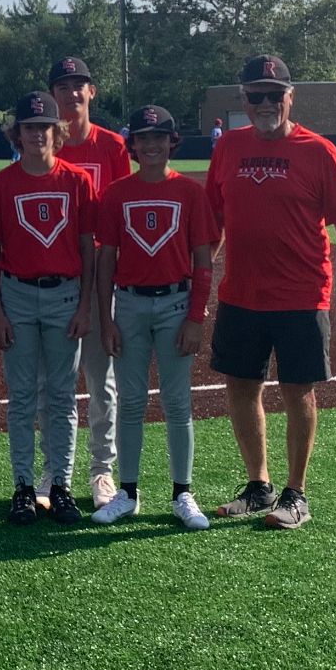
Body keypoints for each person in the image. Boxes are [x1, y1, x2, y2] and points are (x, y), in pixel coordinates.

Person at [206, 54, 336, 529]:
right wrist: (194, 279)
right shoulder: (228, 148)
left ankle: (296, 495)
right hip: (241, 294)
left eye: (275, 95)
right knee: (240, 386)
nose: (266, 103)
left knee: (298, 392)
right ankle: (259, 487)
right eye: (256, 95)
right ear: (244, 100)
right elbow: (215, 222)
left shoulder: (318, 151)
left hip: (302, 294)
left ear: (289, 97)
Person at [93, 105, 219, 530]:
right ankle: (127, 492)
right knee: (130, 402)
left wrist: (197, 316)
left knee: (177, 402)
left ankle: (182, 491)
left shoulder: (190, 192)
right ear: (132, 145)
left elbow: (203, 260)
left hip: (175, 304)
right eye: (143, 138)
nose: (151, 145)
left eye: (159, 137)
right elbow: (105, 260)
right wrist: (106, 318)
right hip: (128, 304)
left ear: (172, 142)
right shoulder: (116, 193)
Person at [0, 92, 95, 526]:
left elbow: (88, 249)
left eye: (44, 127)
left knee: (63, 396)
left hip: (65, 295)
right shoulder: (2, 183)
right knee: (23, 397)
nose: (36, 134)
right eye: (29, 127)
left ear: (56, 132)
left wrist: (86, 306)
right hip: (18, 295)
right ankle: (24, 487)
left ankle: (60, 485)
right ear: (18, 133)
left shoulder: (77, 181)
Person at [45, 55, 132, 511]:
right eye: (63, 87)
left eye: (79, 86)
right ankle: (51, 473)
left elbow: (120, 215)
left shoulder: (113, 147)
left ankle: (102, 470)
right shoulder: (45, 143)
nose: (71, 94)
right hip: (57, 275)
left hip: (99, 273)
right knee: (54, 381)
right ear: (53, 94)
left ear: (91, 92)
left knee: (101, 378)